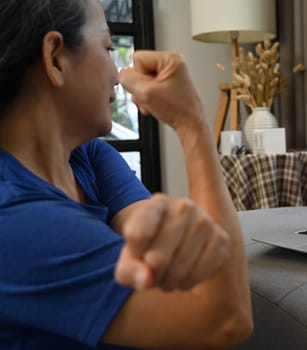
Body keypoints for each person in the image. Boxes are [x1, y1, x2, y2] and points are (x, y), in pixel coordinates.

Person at [0, 1, 252, 349]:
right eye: (107, 48)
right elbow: (225, 317)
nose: (118, 73)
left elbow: (168, 264)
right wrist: (191, 121)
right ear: (56, 57)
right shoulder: (16, 221)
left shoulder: (88, 157)